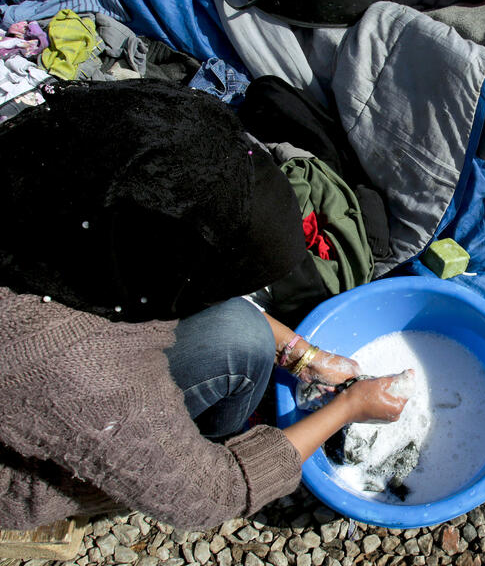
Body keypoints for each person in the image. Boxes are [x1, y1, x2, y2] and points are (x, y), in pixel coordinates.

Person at [0, 79, 412, 530]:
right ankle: (197, 443)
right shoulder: (87, 372)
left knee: (240, 329)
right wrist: (350, 409)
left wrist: (304, 357)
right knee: (231, 353)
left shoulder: (60, 190)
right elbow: (215, 496)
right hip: (30, 474)